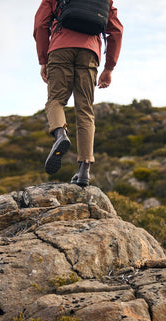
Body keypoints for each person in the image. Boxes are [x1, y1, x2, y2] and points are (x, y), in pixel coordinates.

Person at [33, 0, 123, 186]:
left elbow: (41, 24)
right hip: (90, 52)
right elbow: (116, 31)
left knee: (56, 100)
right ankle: (83, 172)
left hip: (60, 48)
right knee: (85, 110)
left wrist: (43, 60)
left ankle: (60, 134)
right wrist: (109, 68)